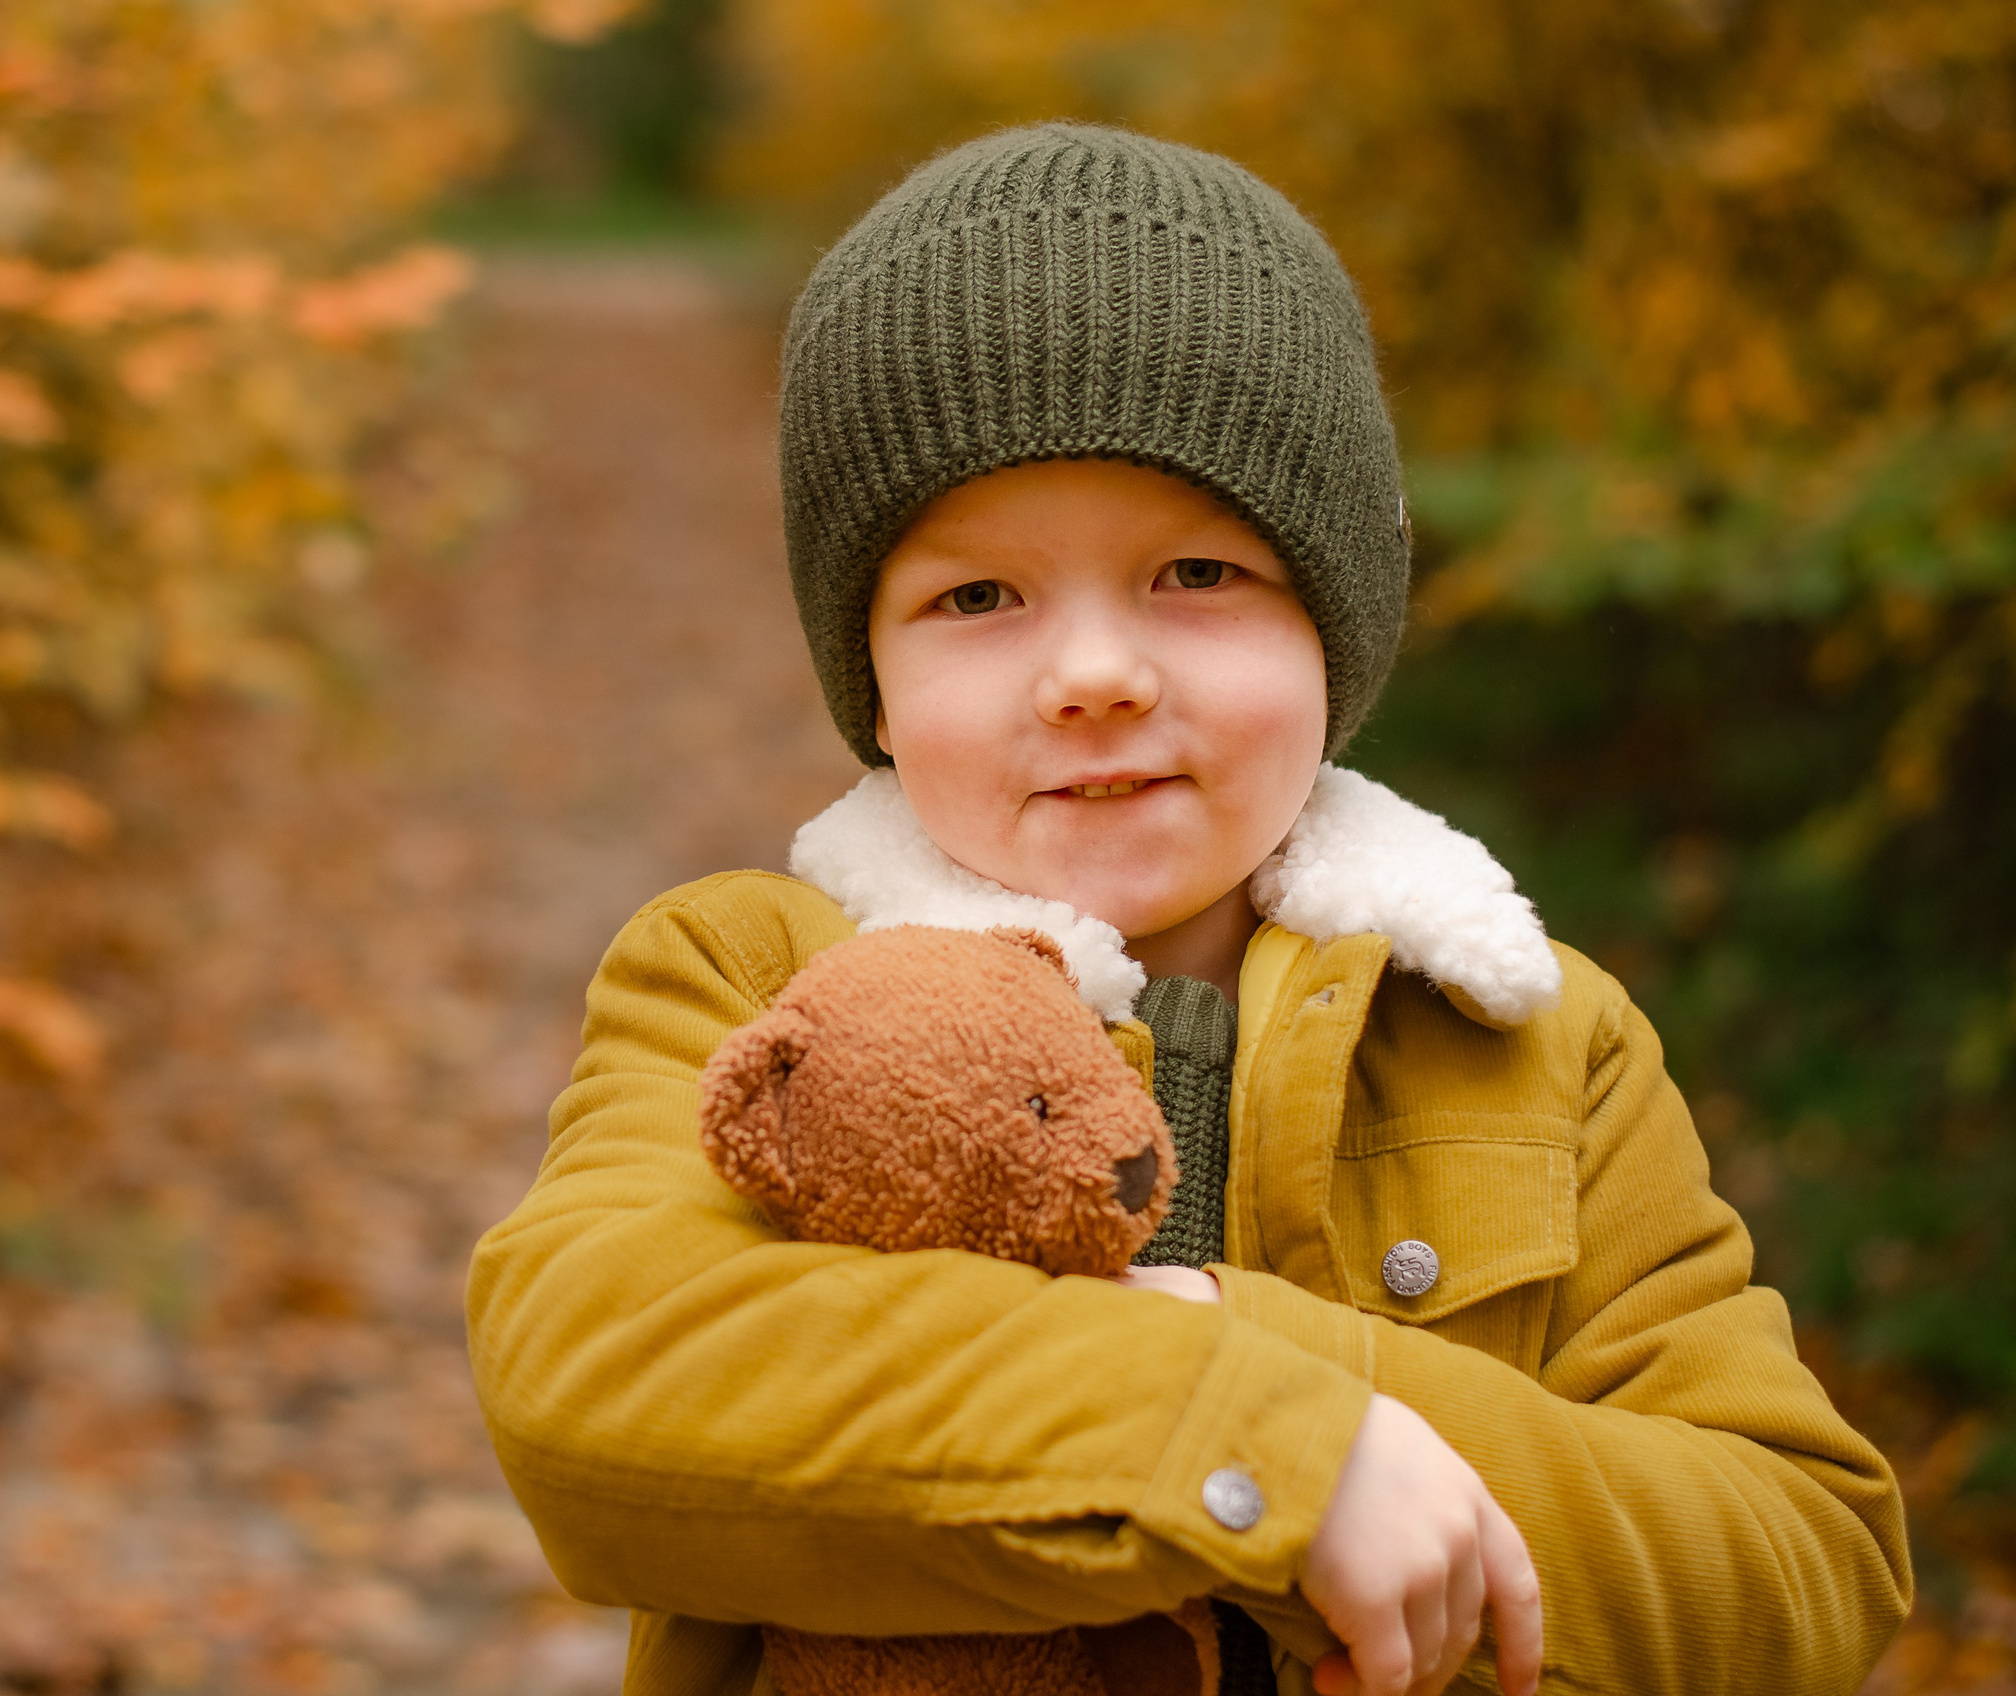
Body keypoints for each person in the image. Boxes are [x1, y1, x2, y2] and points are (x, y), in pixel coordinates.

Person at [465, 122, 1909, 1696]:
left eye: (1198, 575)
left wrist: (1303, 1365)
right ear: (869, 681)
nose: (1095, 675)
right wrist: (1241, 1442)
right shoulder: (749, 982)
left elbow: (1802, 1562)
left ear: (1335, 631)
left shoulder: (1529, 1038)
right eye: (976, 596)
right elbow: (595, 1378)